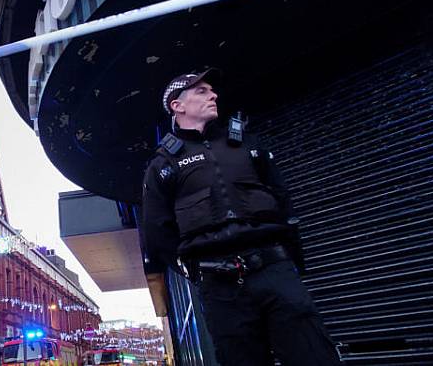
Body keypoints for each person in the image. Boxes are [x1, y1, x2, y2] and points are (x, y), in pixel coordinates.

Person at [141, 69, 342, 366]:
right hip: (219, 284)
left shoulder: (247, 144)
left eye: (211, 90)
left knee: (313, 355)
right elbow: (157, 231)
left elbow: (283, 200)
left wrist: (288, 259)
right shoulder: (162, 164)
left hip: (274, 270)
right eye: (201, 91)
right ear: (177, 106)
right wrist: (195, 272)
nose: (213, 95)